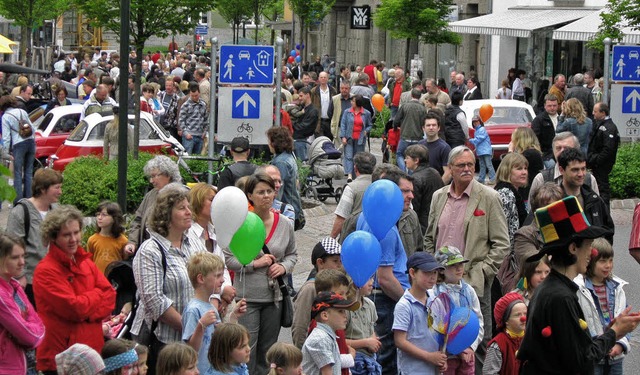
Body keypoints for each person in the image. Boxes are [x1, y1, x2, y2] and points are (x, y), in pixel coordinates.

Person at [517, 196, 640, 374]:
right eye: (589, 245)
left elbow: (574, 347)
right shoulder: (560, 297)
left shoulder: (555, 288)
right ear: (573, 248)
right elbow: (582, 360)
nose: (593, 252)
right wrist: (614, 333)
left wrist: (611, 332)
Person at [424, 146, 510, 372]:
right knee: (439, 341)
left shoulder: (489, 197)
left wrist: (482, 272)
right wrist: (433, 270)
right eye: (461, 165)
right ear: (450, 168)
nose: (466, 169)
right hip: (440, 285)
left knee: (477, 343)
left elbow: (502, 243)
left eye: (470, 165)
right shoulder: (438, 196)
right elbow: (429, 237)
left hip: (472, 283)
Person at [224, 173, 298, 375]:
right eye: (260, 192)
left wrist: (283, 267)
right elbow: (229, 259)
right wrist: (255, 264)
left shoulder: (284, 223)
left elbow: (292, 254)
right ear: (250, 196)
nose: (266, 196)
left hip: (274, 299)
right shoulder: (240, 223)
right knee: (247, 351)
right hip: (248, 297)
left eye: (269, 191)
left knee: (268, 354)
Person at [131, 185, 206, 375]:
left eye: (189, 207)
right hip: (164, 341)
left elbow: (211, 274)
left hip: (196, 338)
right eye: (182, 208)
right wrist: (192, 327)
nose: (189, 212)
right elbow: (155, 302)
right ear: (166, 214)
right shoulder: (150, 250)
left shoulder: (194, 241)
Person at [33, 205, 116, 374]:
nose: (73, 239)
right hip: (61, 357)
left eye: (76, 232)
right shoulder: (45, 270)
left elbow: (110, 296)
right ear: (53, 237)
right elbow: (74, 308)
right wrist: (95, 297)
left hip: (91, 353)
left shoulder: (84, 261)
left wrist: (86, 311)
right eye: (66, 234)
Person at [7, 168, 63, 306]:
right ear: (43, 189)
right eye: (57, 188)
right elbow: (10, 247)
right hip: (30, 282)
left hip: (54, 279)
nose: (60, 192)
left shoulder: (56, 210)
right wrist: (20, 276)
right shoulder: (21, 212)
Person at [183, 252, 247, 374]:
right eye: (217, 276)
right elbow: (189, 350)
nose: (223, 280)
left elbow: (221, 338)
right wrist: (201, 325)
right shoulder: (193, 309)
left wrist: (233, 316)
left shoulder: (210, 306)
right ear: (201, 278)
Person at [574, 238, 629, 375]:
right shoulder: (580, 289)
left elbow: (624, 321)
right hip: (593, 356)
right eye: (602, 261)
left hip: (615, 355)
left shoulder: (617, 288)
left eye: (610, 260)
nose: (608, 265)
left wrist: (620, 344)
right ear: (591, 262)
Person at [393, 252, 447, 375]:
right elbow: (400, 341)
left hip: (433, 369)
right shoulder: (404, 305)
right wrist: (429, 357)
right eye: (427, 272)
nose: (433, 277)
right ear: (412, 273)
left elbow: (442, 332)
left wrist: (442, 358)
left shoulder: (436, 301)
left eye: (435, 272)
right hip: (412, 370)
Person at [433, 246, 483, 374]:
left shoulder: (469, 291)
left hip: (467, 354)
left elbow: (478, 321)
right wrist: (456, 348)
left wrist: (471, 347)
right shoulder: (434, 292)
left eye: (461, 264)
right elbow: (435, 325)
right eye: (453, 265)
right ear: (442, 270)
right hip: (445, 356)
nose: (459, 268)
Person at [0, 233, 45, 375]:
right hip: (8, 368)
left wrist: (33, 329)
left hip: (27, 365)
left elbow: (38, 324)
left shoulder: (15, 287)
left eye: (23, 256)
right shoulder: (1, 295)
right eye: (14, 257)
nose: (22, 262)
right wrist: (34, 330)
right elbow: (30, 337)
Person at [188, 183, 235, 313]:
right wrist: (218, 296)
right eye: (211, 200)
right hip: (200, 302)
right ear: (198, 201)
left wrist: (225, 289)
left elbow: (221, 266)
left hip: (218, 297)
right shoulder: (189, 233)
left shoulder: (214, 230)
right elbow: (199, 272)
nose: (216, 204)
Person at [292, 238, 343, 348]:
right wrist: (301, 353)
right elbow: (300, 325)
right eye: (335, 261)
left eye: (341, 261)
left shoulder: (338, 286)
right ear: (320, 263)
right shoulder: (310, 289)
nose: (340, 266)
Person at [556, 148, 614, 243]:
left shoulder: (595, 200)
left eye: (583, 169)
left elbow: (608, 231)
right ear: (561, 170)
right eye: (575, 170)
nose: (581, 174)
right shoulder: (553, 201)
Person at [128, 155, 182, 250]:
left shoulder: (180, 196)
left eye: (154, 176)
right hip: (148, 249)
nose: (151, 181)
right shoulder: (150, 195)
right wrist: (132, 242)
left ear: (168, 175)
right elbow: (138, 220)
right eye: (150, 176)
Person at [527, 132, 599, 203]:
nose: (562, 151)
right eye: (558, 148)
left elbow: (597, 207)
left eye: (566, 148)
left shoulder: (589, 179)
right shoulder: (542, 179)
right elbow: (533, 210)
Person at [302, 291, 359, 375]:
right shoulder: (320, 339)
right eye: (340, 311)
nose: (345, 315)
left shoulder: (327, 336)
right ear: (325, 315)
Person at [330, 152, 376, 239]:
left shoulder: (351, 188)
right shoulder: (379, 186)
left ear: (355, 168)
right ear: (374, 168)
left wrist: (331, 238)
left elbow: (341, 217)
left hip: (352, 236)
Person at [1, 95, 36, 204]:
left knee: (17, 173)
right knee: (28, 172)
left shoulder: (6, 117)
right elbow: (32, 128)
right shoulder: (22, 111)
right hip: (30, 142)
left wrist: (5, 153)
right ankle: (29, 199)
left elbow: (6, 138)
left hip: (18, 144)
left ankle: (19, 201)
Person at [267, 127, 304, 230]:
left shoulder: (280, 162)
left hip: (284, 211)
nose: (268, 144)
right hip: (293, 207)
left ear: (275, 143)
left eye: (269, 141)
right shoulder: (289, 156)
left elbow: (277, 191)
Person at [482, 292, 527, 375]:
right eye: (517, 315)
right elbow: (490, 373)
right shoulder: (497, 345)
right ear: (506, 320)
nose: (523, 318)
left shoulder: (529, 339)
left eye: (525, 314)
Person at [345, 277, 382, 375]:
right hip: (354, 362)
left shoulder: (370, 304)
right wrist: (365, 343)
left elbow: (371, 328)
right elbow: (339, 341)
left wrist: (373, 341)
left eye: (372, 278)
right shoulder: (345, 309)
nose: (372, 283)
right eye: (368, 279)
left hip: (370, 358)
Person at [404, 144, 444, 232]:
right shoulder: (435, 172)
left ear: (416, 160)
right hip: (437, 220)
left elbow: (414, 206)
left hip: (422, 225)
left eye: (407, 158)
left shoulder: (415, 179)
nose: (405, 160)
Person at [588, 102, 620, 206]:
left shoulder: (609, 127)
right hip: (597, 164)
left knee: (603, 190)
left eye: (595, 111)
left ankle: (605, 216)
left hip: (602, 165)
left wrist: (596, 160)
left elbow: (608, 149)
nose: (593, 113)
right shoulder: (599, 124)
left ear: (603, 113)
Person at [494, 153, 529, 244]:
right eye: (519, 169)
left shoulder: (515, 191)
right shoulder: (506, 193)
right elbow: (506, 230)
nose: (524, 172)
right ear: (507, 171)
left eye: (525, 168)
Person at [87, 201, 130, 274]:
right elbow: (89, 263)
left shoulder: (123, 240)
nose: (99, 218)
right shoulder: (92, 239)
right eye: (98, 214)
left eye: (104, 215)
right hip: (98, 280)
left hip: (115, 280)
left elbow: (125, 262)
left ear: (114, 218)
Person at [393, 88, 427, 172]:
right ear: (420, 97)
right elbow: (424, 122)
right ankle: (411, 173)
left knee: (399, 154)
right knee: (414, 157)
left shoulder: (405, 106)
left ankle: (403, 170)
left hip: (405, 135)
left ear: (411, 95)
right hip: (417, 137)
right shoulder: (422, 108)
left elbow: (396, 119)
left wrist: (395, 127)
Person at [340, 94, 373, 180]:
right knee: (348, 156)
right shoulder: (347, 112)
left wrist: (366, 131)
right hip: (349, 137)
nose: (351, 102)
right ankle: (349, 175)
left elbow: (370, 125)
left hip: (360, 138)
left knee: (358, 158)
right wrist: (343, 136)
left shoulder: (366, 113)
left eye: (353, 101)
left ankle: (357, 175)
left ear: (358, 102)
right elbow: (343, 124)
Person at [508, 127, 543, 203]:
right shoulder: (532, 152)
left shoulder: (529, 153)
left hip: (527, 193)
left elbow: (509, 166)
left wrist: (510, 150)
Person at [418, 112, 452, 183]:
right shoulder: (420, 145)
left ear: (438, 128)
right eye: (428, 125)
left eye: (434, 125)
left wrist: (437, 189)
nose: (431, 128)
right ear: (423, 128)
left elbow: (448, 173)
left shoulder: (444, 148)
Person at [178, 83, 208, 155]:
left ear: (199, 93)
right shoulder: (186, 105)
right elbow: (181, 120)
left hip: (200, 135)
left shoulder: (203, 104)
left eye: (196, 95)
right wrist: (186, 133)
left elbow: (206, 119)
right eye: (192, 96)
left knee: (198, 159)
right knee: (188, 157)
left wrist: (204, 132)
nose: (194, 97)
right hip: (189, 135)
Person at [531, 94, 560, 169]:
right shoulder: (539, 120)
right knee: (552, 166)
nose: (552, 108)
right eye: (549, 106)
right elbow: (534, 139)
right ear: (545, 106)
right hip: (546, 154)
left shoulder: (561, 118)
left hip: (561, 151)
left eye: (554, 105)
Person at [291, 86, 319, 161]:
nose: (299, 98)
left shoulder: (313, 111)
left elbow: (305, 127)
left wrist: (292, 124)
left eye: (301, 96)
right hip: (296, 140)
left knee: (302, 163)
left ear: (308, 95)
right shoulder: (300, 108)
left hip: (303, 141)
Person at [469, 115, 495, 184]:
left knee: (488, 165)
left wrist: (470, 140)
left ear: (480, 121)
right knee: (482, 165)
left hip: (485, 151)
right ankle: (481, 179)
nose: (475, 123)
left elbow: (479, 139)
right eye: (474, 122)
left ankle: (493, 179)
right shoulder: (477, 130)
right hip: (481, 151)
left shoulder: (482, 129)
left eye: (476, 121)